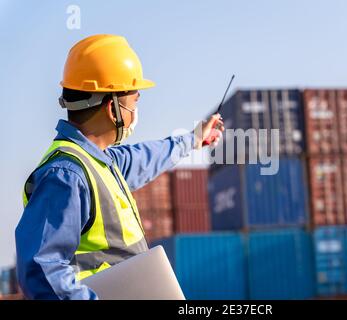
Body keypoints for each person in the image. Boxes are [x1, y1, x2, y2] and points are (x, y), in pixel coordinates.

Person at [15, 34, 224, 300]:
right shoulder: (67, 175)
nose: (136, 111)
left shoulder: (102, 163)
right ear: (113, 109)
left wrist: (193, 139)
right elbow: (41, 270)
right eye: (135, 101)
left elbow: (148, 157)